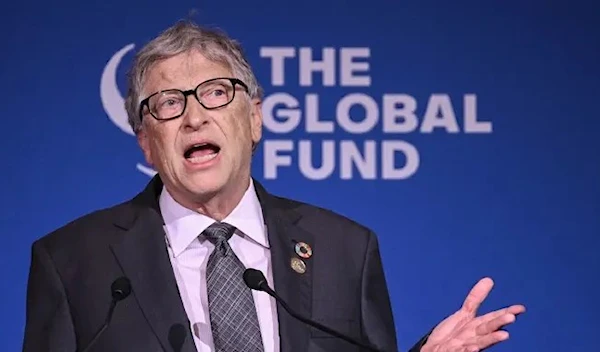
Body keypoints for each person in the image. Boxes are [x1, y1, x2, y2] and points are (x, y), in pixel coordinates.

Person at [22, 20, 525, 352]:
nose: (194, 117)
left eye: (216, 94)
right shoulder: (73, 262)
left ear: (255, 118)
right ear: (146, 143)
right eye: (169, 104)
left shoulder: (345, 249)